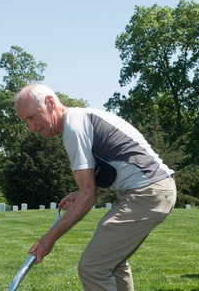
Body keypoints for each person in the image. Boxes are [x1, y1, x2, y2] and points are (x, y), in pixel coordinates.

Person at [14, 83, 176, 291]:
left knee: (92, 267)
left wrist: (49, 238)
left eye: (32, 117)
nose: (32, 128)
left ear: (50, 103)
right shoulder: (82, 119)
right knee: (112, 263)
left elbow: (88, 195)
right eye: (26, 122)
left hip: (147, 192)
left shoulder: (74, 126)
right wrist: (81, 193)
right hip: (156, 190)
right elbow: (109, 172)